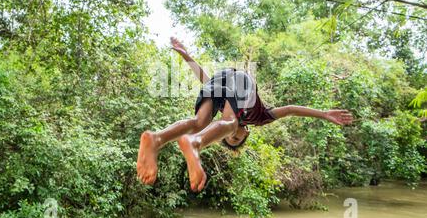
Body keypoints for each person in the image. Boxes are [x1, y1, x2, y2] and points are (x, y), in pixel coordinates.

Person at [137, 37, 353, 192]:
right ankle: (193, 143)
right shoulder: (261, 117)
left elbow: (206, 81)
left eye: (229, 138)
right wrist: (324, 114)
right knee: (227, 122)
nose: (233, 135)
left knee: (200, 122)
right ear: (247, 133)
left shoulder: (225, 109)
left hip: (221, 79)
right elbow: (290, 110)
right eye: (236, 138)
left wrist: (187, 57)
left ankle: (158, 138)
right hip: (242, 80)